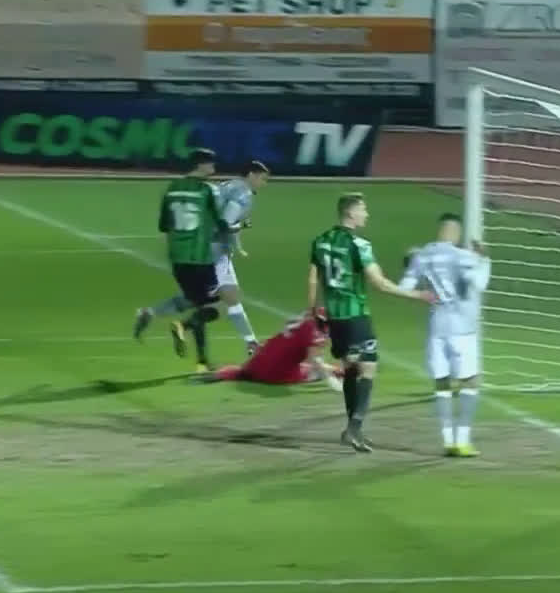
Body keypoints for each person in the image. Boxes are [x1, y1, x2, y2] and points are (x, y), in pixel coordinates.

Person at [308, 193, 435, 453]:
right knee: (368, 369)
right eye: (363, 210)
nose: (366, 215)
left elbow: (313, 279)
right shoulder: (359, 245)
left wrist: (313, 310)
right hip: (356, 316)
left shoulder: (321, 241)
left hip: (334, 316)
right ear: (351, 213)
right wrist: (417, 295)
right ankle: (354, 428)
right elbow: (380, 284)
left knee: (350, 368)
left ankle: (353, 429)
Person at [135, 159, 268, 356]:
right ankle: (187, 328)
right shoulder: (243, 194)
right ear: (251, 175)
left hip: (199, 246)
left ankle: (151, 313)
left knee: (202, 297)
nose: (264, 183)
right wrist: (240, 227)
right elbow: (225, 222)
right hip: (216, 250)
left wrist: (238, 245)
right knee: (224, 299)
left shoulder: (225, 185)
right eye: (263, 179)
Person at [398, 214, 492, 457]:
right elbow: (480, 284)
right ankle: (463, 441)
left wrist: (424, 293)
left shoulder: (423, 255)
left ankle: (447, 441)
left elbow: (404, 288)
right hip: (462, 328)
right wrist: (484, 259)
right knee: (470, 381)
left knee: (442, 383)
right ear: (456, 231)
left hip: (437, 328)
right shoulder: (463, 256)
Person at [147, 148, 228, 372]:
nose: (213, 166)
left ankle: (202, 362)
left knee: (200, 305)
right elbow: (221, 223)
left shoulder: (172, 188)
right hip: (199, 258)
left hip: (177, 259)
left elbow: (163, 225)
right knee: (219, 306)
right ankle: (183, 326)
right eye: (210, 162)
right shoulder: (207, 190)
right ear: (200, 164)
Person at [198, 308, 342, 389]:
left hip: (256, 364)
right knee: (314, 371)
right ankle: (343, 372)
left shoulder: (301, 319)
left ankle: (222, 373)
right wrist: (332, 380)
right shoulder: (316, 333)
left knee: (247, 369)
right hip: (277, 374)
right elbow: (314, 361)